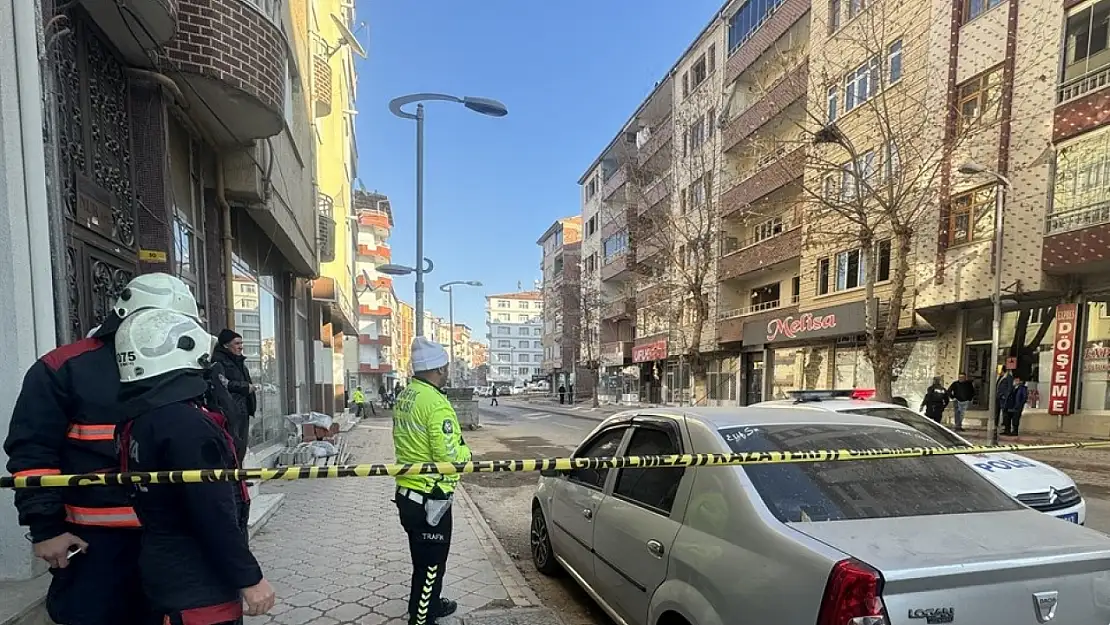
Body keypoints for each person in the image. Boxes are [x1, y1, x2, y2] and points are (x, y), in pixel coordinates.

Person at [3, 272, 199, 625]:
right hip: (95, 546)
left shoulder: (193, 365)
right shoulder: (62, 369)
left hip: (177, 540)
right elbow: (32, 453)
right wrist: (46, 528)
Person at [113, 308, 274, 624]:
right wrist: (249, 577)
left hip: (167, 569)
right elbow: (211, 511)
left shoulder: (138, 417)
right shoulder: (186, 425)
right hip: (199, 582)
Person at [392, 338, 472, 625]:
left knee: (422, 560)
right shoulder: (436, 403)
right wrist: (468, 452)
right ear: (439, 368)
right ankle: (422, 617)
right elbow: (449, 456)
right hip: (431, 499)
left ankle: (429, 605)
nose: (448, 370)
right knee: (432, 566)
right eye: (446, 366)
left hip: (408, 493)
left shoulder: (407, 395)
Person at [211, 329, 258, 461]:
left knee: (241, 447)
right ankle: (233, 479)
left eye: (241, 343)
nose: (240, 347)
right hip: (230, 411)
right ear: (226, 345)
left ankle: (239, 478)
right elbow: (222, 383)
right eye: (237, 343)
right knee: (232, 446)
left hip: (242, 410)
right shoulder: (219, 362)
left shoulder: (237, 362)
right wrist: (244, 387)